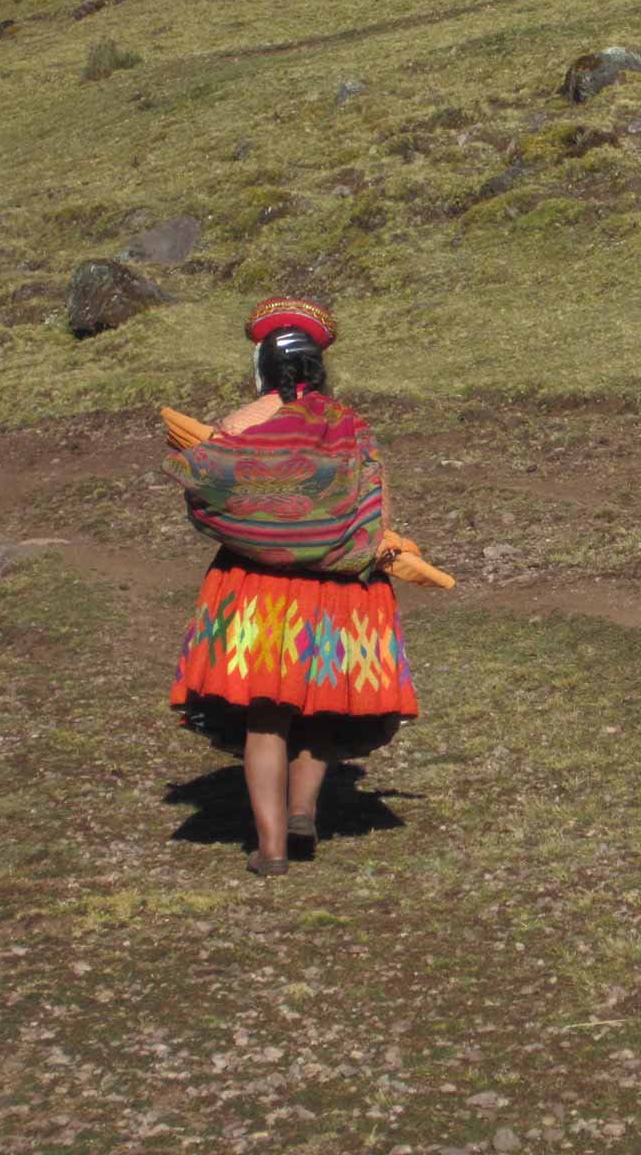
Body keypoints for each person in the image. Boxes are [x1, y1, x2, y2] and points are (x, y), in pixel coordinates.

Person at [164, 297, 419, 875]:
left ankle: (271, 848)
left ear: (263, 367)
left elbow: (211, 493)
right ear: (317, 368)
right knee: (321, 706)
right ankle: (304, 809)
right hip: (334, 592)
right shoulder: (352, 426)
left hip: (256, 589)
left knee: (265, 716)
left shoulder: (239, 423)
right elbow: (375, 512)